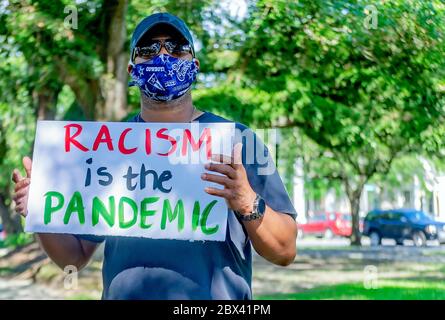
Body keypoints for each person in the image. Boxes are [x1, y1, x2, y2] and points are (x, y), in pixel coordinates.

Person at [12, 12, 297, 300]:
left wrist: (247, 201)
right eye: (148, 50)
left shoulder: (237, 140)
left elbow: (285, 251)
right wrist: (38, 210)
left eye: (176, 48)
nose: (163, 55)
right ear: (133, 71)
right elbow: (73, 258)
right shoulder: (105, 148)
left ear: (194, 65)